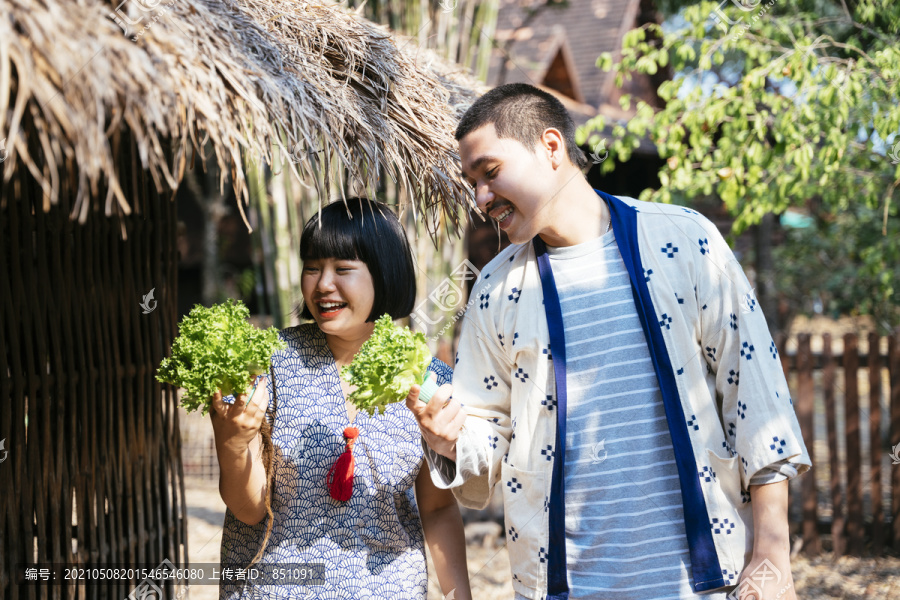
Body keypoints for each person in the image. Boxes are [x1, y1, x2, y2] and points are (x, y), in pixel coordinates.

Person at [406, 83, 811, 600]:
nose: (482, 198)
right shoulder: (494, 288)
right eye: (474, 183)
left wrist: (772, 557)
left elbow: (756, 399)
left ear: (551, 148)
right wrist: (449, 439)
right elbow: (487, 434)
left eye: (490, 173)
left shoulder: (685, 239)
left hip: (705, 583)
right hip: (561, 587)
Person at [212, 198, 472, 600]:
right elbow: (248, 511)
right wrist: (231, 443)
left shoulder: (427, 377)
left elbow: (437, 509)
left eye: (343, 269)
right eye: (312, 267)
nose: (322, 285)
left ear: (384, 273)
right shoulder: (267, 364)